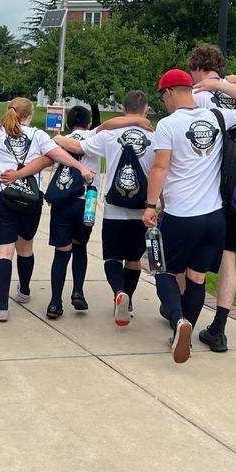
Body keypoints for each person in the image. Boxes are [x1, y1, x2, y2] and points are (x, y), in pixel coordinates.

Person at [142, 69, 236, 364]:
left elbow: (160, 167)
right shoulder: (217, 117)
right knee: (197, 277)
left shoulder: (168, 124)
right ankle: (184, 333)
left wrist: (149, 206)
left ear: (169, 92)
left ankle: (178, 321)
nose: (163, 103)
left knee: (164, 270)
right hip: (214, 218)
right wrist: (230, 84)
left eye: (163, 97)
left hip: (180, 215)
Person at [0, 97, 94, 322]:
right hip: (31, 198)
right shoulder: (38, 135)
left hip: (3, 195)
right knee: (25, 247)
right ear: (29, 116)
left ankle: (2, 306)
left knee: (4, 252)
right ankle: (23, 289)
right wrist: (81, 167)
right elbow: (57, 154)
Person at [53, 90, 154, 327]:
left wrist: (58, 138)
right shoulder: (156, 137)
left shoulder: (109, 135)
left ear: (123, 109)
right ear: (147, 110)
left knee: (112, 257)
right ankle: (128, 301)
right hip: (141, 209)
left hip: (114, 209)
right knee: (133, 259)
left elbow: (78, 147)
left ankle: (119, 292)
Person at [187, 43, 236, 353]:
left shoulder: (198, 95)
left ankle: (182, 315)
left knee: (194, 256)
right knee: (229, 255)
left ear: (197, 68)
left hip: (208, 186)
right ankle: (219, 326)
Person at [4, 105, 99, 319]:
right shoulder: (94, 138)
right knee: (80, 247)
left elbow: (46, 160)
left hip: (61, 202)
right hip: (87, 202)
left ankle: (55, 302)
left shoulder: (58, 140)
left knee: (62, 251)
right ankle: (78, 292)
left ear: (67, 123)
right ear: (89, 123)